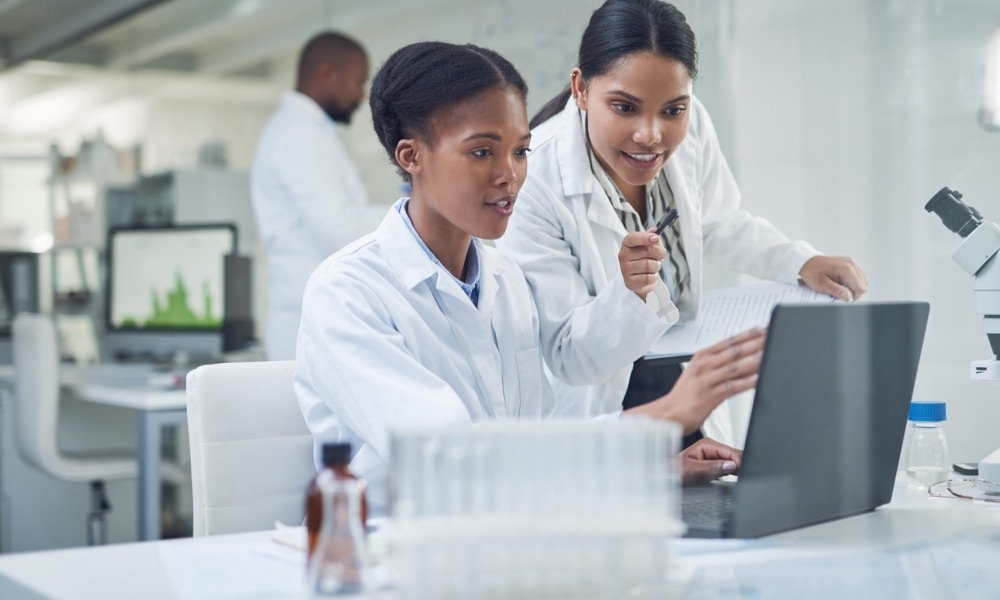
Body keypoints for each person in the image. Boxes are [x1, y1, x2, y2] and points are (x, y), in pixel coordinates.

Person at [294, 40, 765, 517]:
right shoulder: (348, 293)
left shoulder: (505, 281)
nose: (510, 175)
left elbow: (537, 443)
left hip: (507, 536)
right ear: (411, 156)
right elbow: (452, 457)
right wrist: (662, 416)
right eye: (482, 152)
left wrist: (649, 467)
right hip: (397, 555)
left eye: (521, 152)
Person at [496, 0, 869, 422]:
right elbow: (568, 354)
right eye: (624, 107)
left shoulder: (693, 126)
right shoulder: (534, 178)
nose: (651, 135)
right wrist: (630, 292)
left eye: (673, 109)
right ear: (581, 88)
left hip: (682, 376)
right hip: (602, 406)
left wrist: (800, 261)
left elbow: (716, 222)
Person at [251, 31, 387, 360]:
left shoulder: (307, 131)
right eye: (358, 82)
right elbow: (339, 230)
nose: (362, 94)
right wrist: (419, 213)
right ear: (325, 74)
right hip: (306, 321)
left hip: (314, 315)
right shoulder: (299, 134)